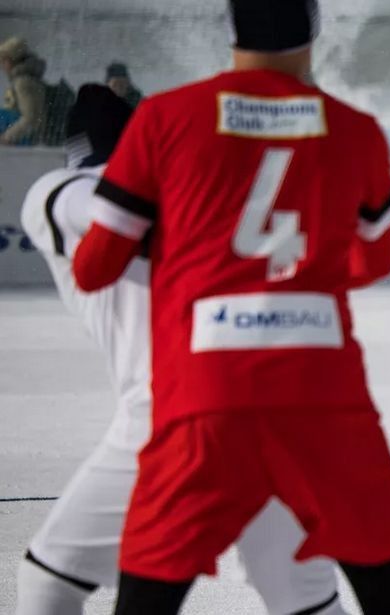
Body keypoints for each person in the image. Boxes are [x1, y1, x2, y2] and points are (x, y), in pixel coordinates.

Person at [70, 2, 390, 613]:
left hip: (204, 400)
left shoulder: (163, 118)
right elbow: (374, 263)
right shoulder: (355, 129)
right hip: (325, 400)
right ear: (314, 30)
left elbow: (94, 267)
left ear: (230, 27)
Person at [17, 84, 349, 615]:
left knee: (48, 579)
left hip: (172, 419)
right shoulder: (188, 192)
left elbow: (93, 205)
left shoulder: (55, 189)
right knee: (304, 599)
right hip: (277, 419)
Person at [0, 36, 47, 145]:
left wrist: (7, 137)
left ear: (12, 60)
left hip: (26, 139)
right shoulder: (27, 78)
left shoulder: (22, 82)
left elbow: (31, 118)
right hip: (26, 136)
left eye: (3, 60)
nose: (1, 66)